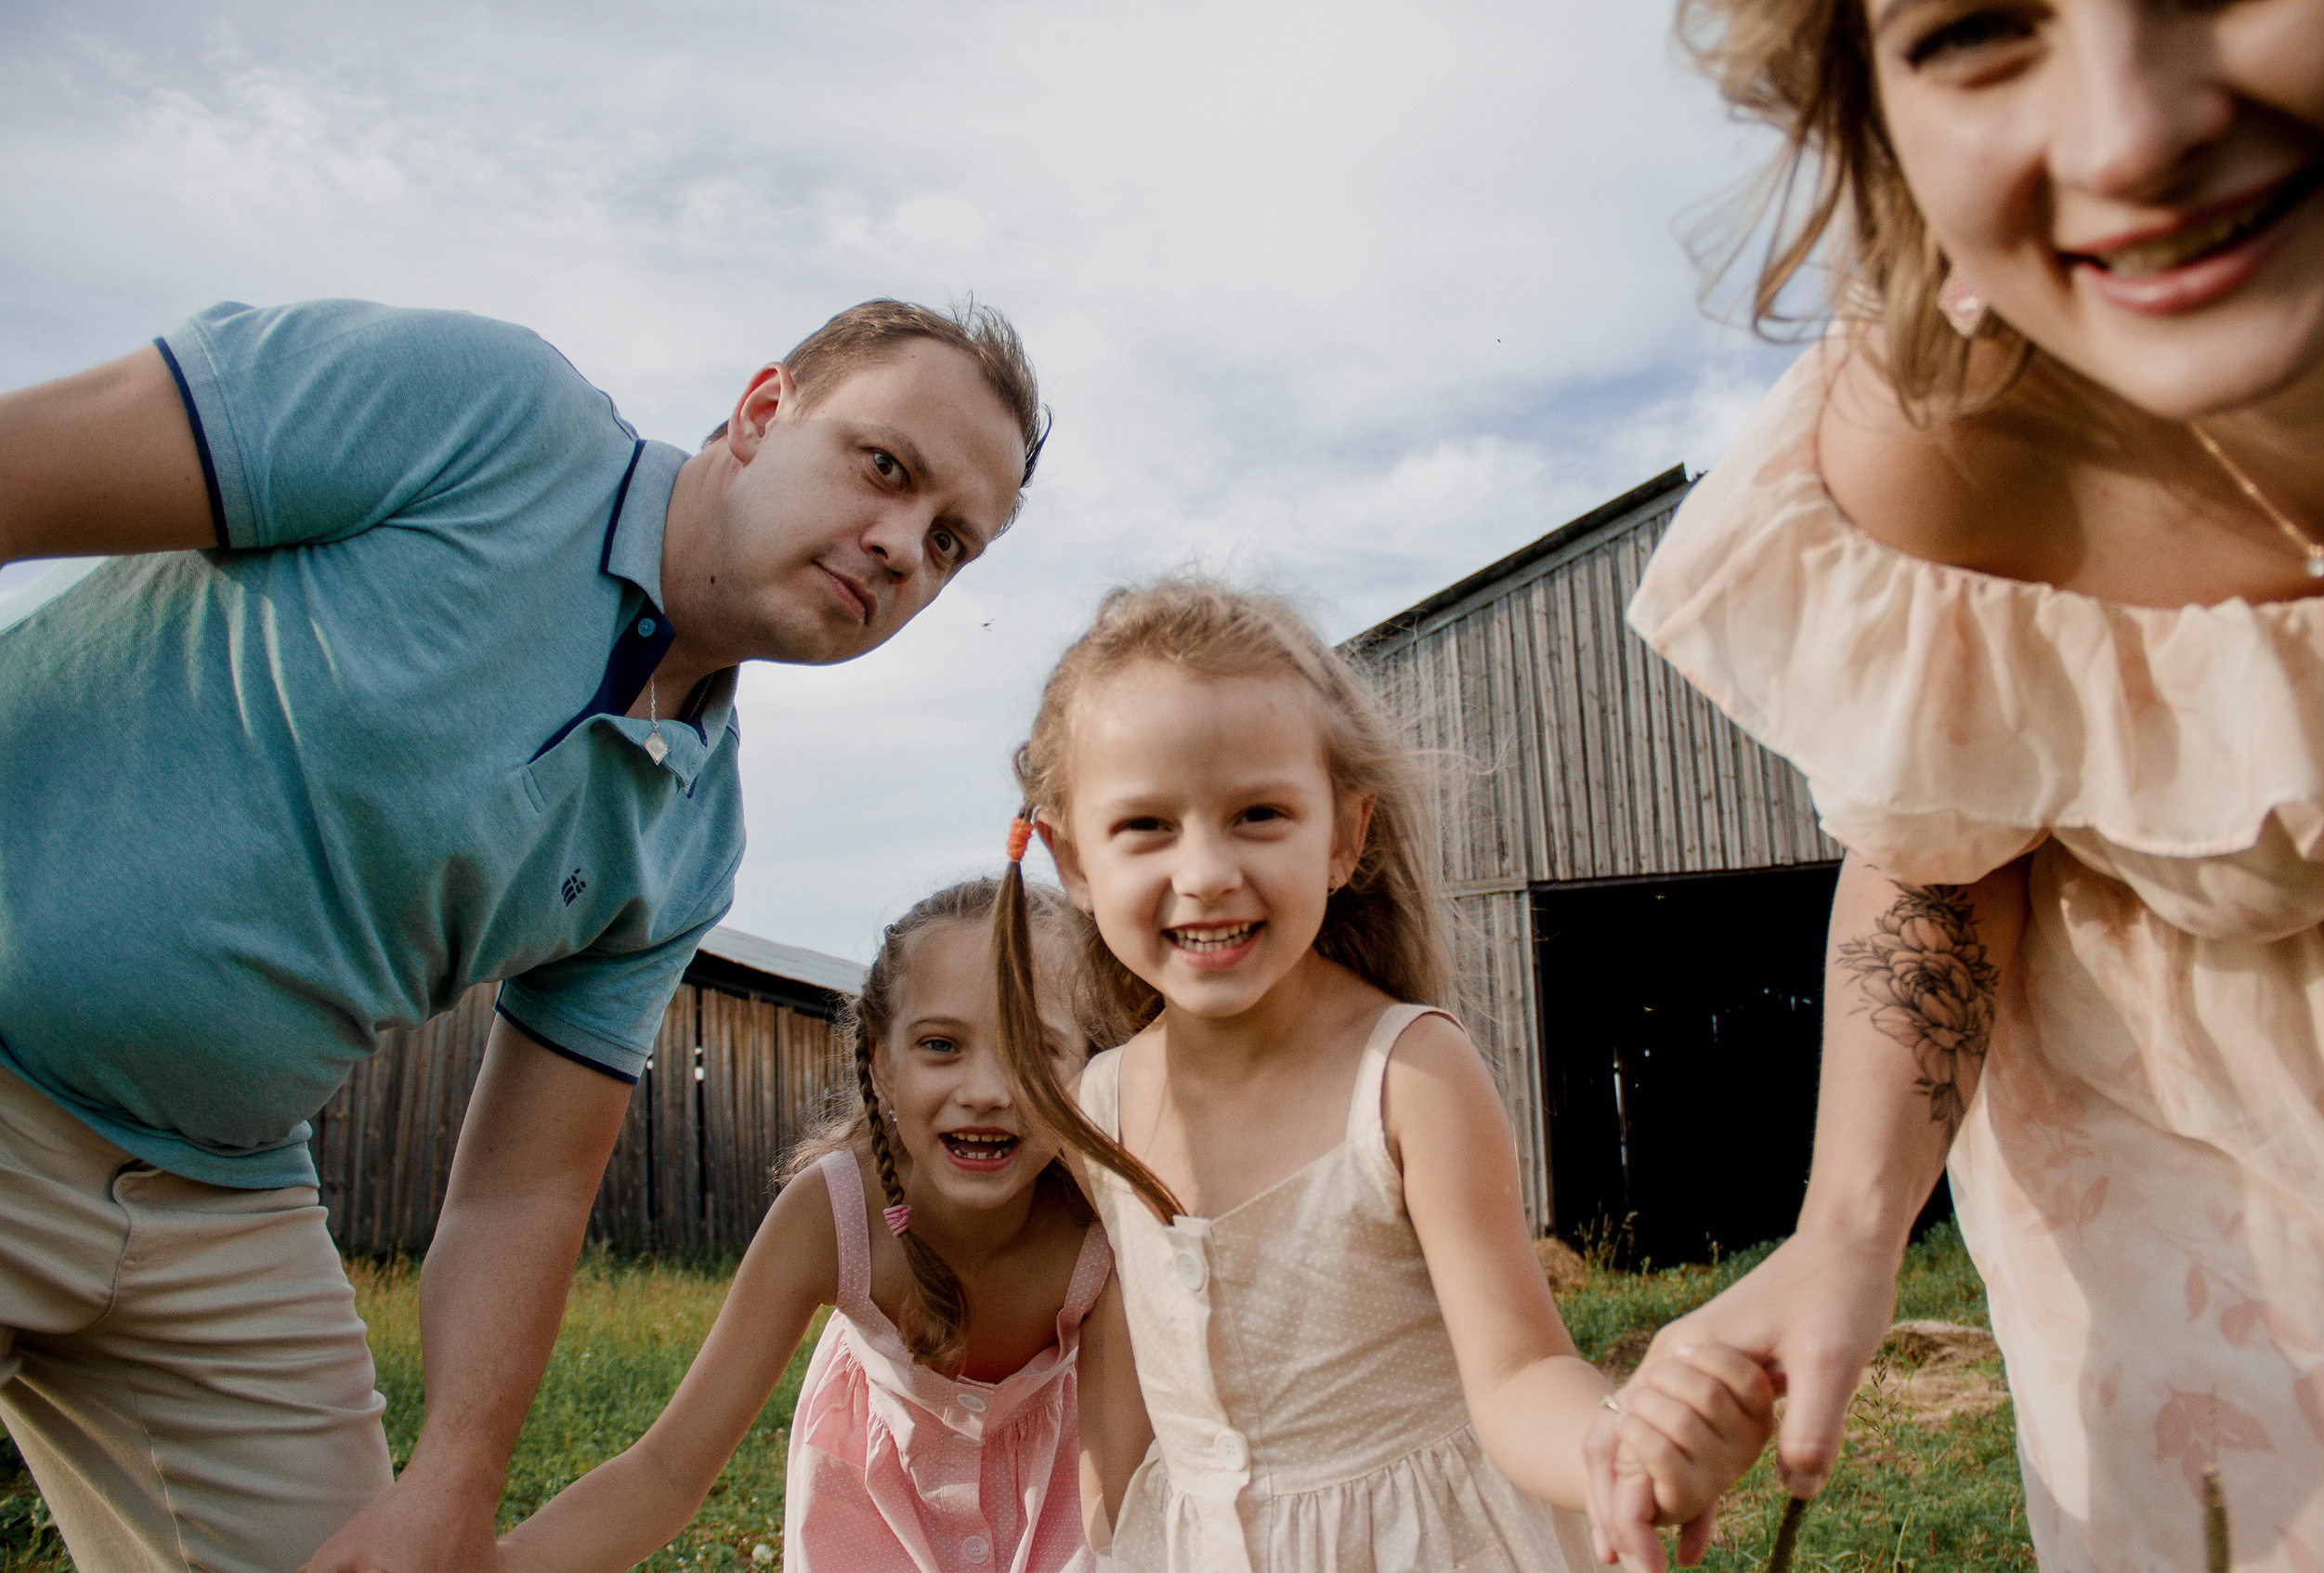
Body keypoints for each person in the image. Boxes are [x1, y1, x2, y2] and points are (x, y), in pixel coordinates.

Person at [0, 295, 1044, 1573]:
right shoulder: (484, 418)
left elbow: (526, 1181)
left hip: (213, 1190)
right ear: (764, 411)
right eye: (885, 467)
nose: (901, 548)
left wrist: (455, 1477)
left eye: (950, 543)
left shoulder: (691, 838)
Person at [1616, 0, 2324, 1566]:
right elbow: (1942, 848)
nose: (2127, 135)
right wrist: (1846, 1230)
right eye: (1972, 27)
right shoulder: (1940, 442)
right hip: (2208, 1221)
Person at [984, 578, 1775, 1573]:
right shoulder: (1100, 1101)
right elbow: (1127, 1366)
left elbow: (1520, 1367)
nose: (1206, 871)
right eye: (1146, 825)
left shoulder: (1406, 1075)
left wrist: (1615, 1443)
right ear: (1073, 861)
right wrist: (1101, 1530)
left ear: (1346, 836)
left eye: (1259, 813)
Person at [497, 877, 1132, 1573]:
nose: (985, 1090)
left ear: (1088, 1068)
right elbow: (668, 1469)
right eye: (941, 1045)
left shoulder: (1102, 1227)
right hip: (864, 1513)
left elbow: (1124, 1500)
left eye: (1035, 1050)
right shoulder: (830, 1214)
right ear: (882, 1065)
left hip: (1067, 1513)